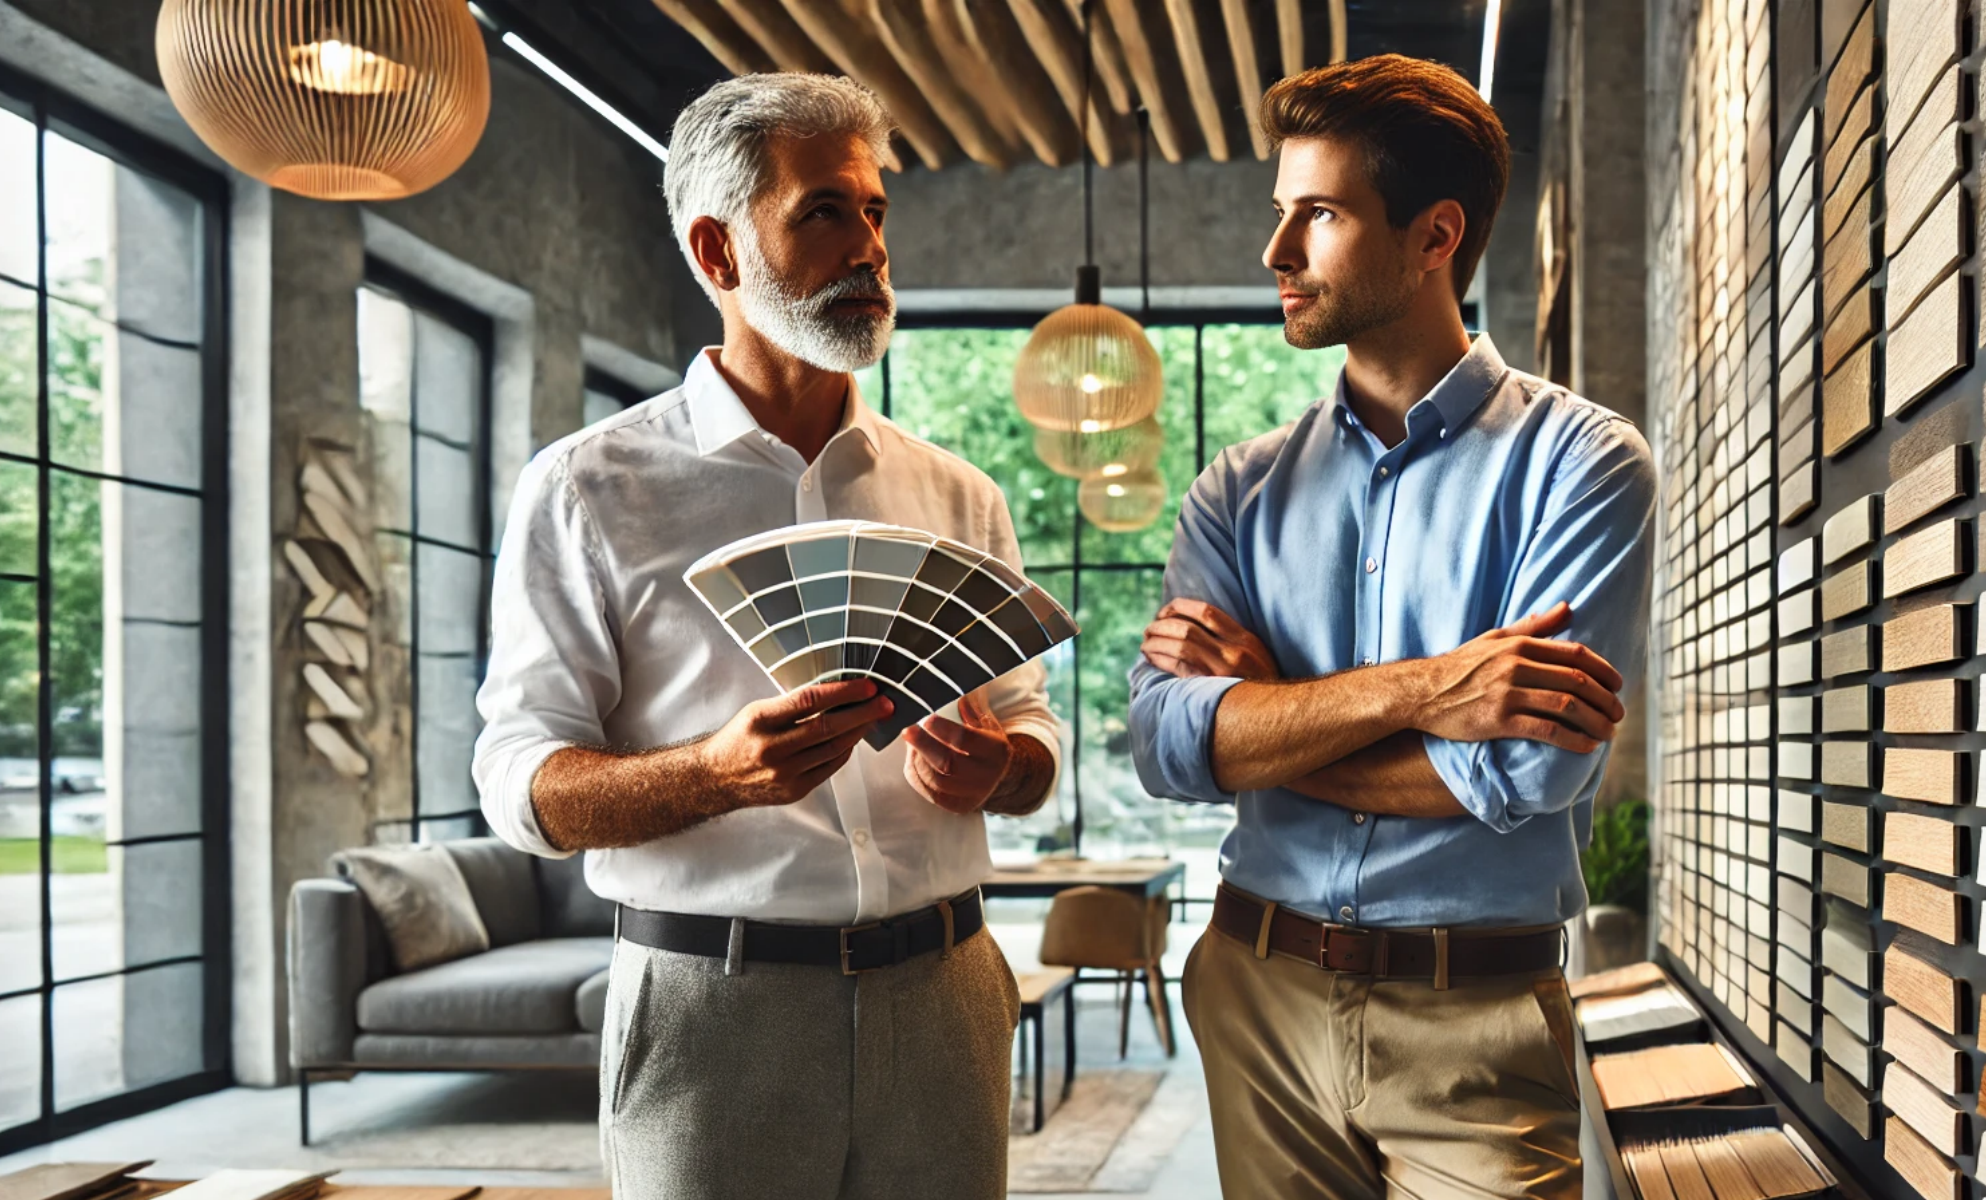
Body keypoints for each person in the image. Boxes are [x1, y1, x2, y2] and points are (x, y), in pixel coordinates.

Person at [472, 73, 1061, 1200]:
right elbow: (518, 784)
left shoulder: (959, 495)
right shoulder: (587, 490)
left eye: (876, 213)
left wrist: (1006, 765)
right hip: (712, 1013)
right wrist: (714, 775)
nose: (870, 250)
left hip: (947, 997)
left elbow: (1030, 730)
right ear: (716, 249)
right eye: (824, 213)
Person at [1128, 54, 1656, 1199]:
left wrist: (1269, 716)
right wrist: (1423, 693)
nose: (1276, 254)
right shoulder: (1235, 489)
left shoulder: (1584, 463)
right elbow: (1170, 745)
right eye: (1282, 214)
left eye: (1316, 215)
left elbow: (1522, 770)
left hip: (1476, 1024)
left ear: (1435, 236)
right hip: (1255, 1000)